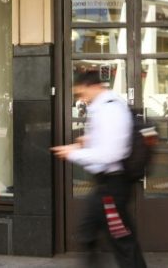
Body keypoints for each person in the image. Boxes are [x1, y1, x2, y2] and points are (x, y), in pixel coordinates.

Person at [52, 70, 147, 268]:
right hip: (106, 186)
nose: (81, 99)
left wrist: (72, 154)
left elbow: (110, 154)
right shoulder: (104, 107)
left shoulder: (110, 110)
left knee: (121, 241)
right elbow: (105, 143)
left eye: (81, 93)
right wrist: (83, 143)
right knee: (88, 233)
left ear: (94, 86)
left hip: (113, 187)